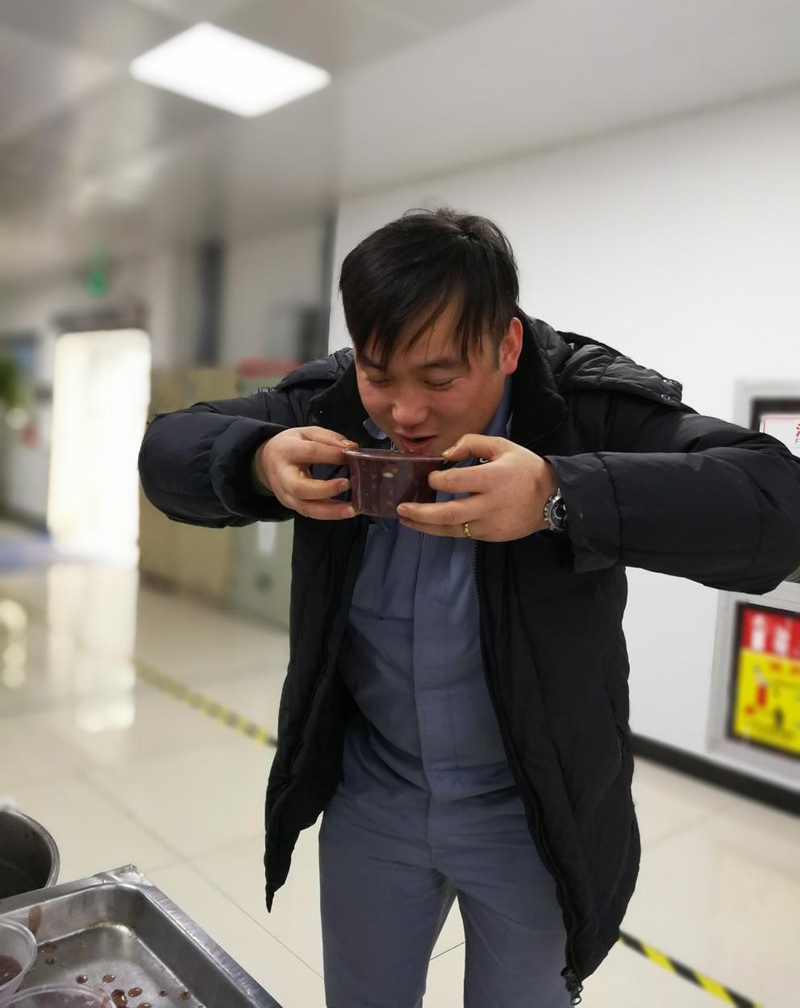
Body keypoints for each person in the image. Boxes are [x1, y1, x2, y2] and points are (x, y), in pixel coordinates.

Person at [138, 208, 800, 1007]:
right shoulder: (332, 404)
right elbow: (166, 451)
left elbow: (778, 504)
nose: (404, 412)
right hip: (373, 796)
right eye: (380, 374)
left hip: (532, 812)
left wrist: (561, 495)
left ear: (507, 346)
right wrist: (254, 460)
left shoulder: (582, 405)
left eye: (440, 379)